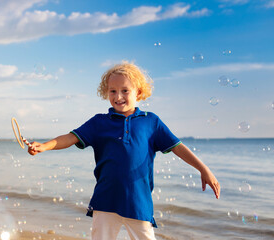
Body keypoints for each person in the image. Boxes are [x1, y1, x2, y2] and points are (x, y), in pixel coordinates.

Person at [28, 62, 220, 240]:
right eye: (113, 91)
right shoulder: (99, 122)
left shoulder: (151, 122)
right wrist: (44, 146)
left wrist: (203, 169)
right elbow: (70, 137)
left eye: (125, 90)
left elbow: (177, 147)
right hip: (105, 200)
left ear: (139, 91)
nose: (118, 97)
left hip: (139, 203)